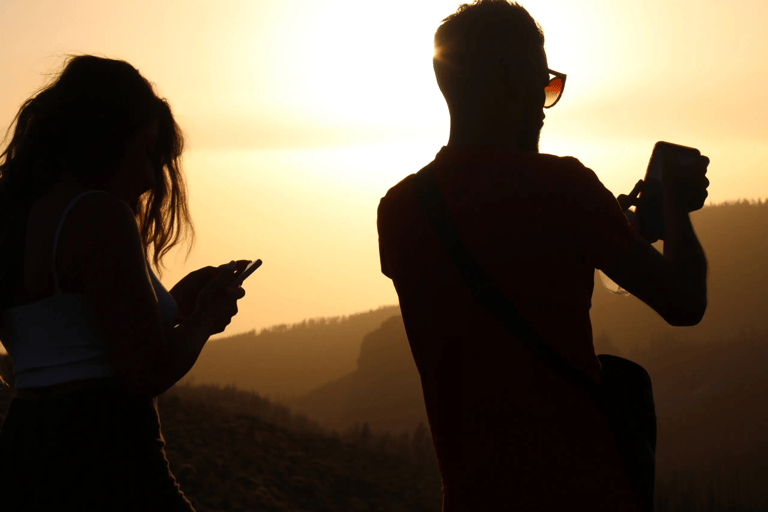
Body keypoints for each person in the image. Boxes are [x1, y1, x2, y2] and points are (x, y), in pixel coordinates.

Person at [377, 1, 709, 511]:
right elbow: (685, 304)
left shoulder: (399, 211)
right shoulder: (564, 187)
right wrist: (676, 208)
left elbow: (510, 257)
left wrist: (611, 229)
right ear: (511, 80)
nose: (544, 106)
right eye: (544, 84)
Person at [0, 55, 251, 511]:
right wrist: (204, 321)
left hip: (24, 446)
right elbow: (143, 373)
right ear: (105, 141)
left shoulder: (14, 216)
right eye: (146, 151)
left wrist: (173, 305)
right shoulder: (97, 213)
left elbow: (74, 336)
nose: (151, 177)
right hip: (108, 449)